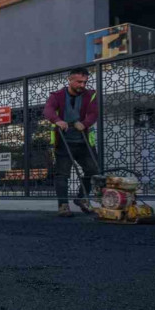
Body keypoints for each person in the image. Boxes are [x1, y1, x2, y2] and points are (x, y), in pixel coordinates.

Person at [44, 67, 99, 218]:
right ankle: (63, 205)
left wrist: (85, 123)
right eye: (79, 82)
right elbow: (48, 110)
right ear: (70, 80)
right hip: (63, 141)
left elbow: (94, 113)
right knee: (62, 174)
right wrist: (58, 120)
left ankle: (81, 199)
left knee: (93, 170)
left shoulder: (90, 95)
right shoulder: (57, 96)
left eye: (85, 82)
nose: (82, 85)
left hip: (83, 141)